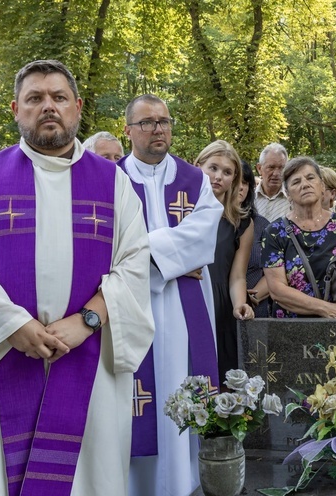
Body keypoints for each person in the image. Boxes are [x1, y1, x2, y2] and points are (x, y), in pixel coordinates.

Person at [0, 59, 154, 496]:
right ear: (16, 110)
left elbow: (135, 262)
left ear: (76, 108)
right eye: (35, 99)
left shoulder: (113, 183)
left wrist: (87, 321)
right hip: (2, 352)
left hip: (86, 357)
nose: (48, 107)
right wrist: (13, 325)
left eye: (58, 97)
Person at [119, 94, 223, 496]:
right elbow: (105, 246)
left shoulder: (193, 179)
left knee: (182, 380)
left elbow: (203, 234)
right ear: (128, 130)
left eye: (164, 121)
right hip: (130, 306)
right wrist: (172, 258)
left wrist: (144, 254)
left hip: (184, 307)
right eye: (147, 122)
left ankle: (183, 482)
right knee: (137, 393)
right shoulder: (109, 179)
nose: (158, 129)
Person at [262, 156, 336, 318]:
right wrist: (325, 309)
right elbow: (277, 289)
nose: (305, 184)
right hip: (290, 328)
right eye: (296, 182)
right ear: (288, 194)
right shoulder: (275, 232)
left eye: (310, 178)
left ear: (321, 186)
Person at [195, 140, 255, 383]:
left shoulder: (241, 222)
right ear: (198, 166)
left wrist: (239, 304)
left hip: (221, 305)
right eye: (213, 168)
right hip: (187, 297)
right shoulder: (179, 211)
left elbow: (238, 276)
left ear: (235, 179)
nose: (218, 177)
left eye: (227, 172)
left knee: (220, 376)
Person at [242, 161, 271, 318]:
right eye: (235, 181)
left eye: (245, 182)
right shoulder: (211, 224)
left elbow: (274, 271)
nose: (240, 187)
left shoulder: (262, 225)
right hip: (219, 305)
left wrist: (251, 298)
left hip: (256, 309)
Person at [254, 143, 290, 222]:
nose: (276, 173)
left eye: (281, 168)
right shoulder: (248, 198)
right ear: (259, 168)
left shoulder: (293, 200)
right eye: (271, 167)